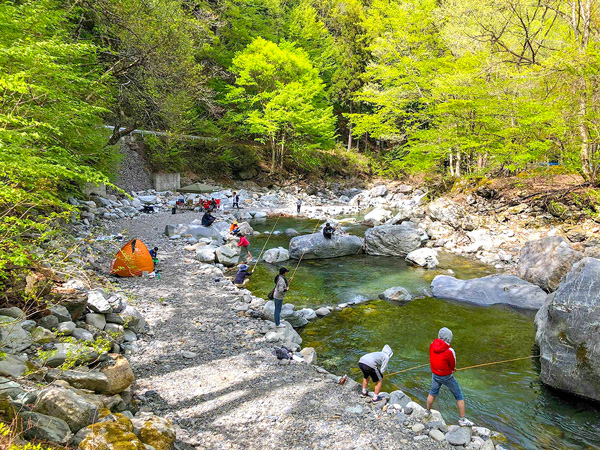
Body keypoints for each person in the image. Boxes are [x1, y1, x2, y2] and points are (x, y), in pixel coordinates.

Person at [426, 327, 474, 427]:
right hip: (446, 376)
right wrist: (453, 369)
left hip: (435, 374)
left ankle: (427, 411)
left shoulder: (432, 345)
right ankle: (462, 419)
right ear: (449, 338)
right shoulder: (450, 351)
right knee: (459, 395)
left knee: (432, 393)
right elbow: (452, 364)